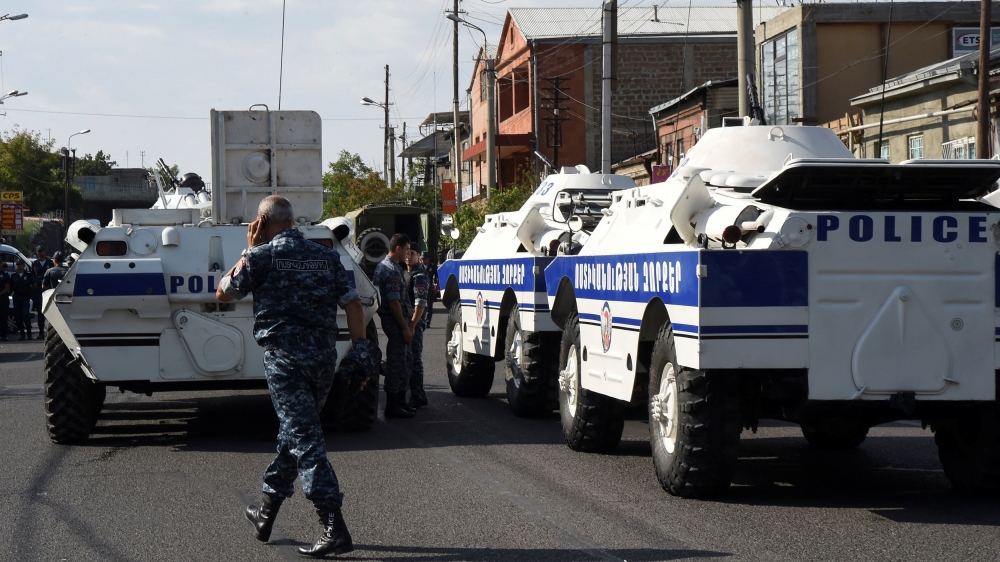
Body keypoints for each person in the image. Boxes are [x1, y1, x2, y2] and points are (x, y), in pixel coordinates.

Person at [216, 195, 379, 558]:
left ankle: (333, 526)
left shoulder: (260, 257)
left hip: (285, 361)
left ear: (260, 222)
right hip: (323, 359)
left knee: (305, 440)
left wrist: (249, 250)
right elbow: (353, 303)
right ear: (293, 222)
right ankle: (265, 513)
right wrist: (361, 348)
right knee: (294, 434)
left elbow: (223, 293)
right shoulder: (325, 256)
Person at [373, 233, 415, 419]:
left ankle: (400, 401)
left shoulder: (385, 266)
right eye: (406, 249)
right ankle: (392, 405)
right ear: (398, 248)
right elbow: (394, 302)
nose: (407, 253)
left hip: (397, 321)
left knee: (405, 361)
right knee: (397, 364)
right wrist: (405, 327)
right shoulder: (390, 270)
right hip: (396, 322)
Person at [404, 244, 430, 409]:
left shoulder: (419, 275)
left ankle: (418, 394)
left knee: (414, 360)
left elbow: (420, 303)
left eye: (412, 254)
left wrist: (413, 324)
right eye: (406, 253)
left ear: (418, 256)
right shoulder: (406, 272)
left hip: (414, 322)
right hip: (407, 321)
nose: (408, 256)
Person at [31, 246, 53, 339]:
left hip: (48, 288)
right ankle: (41, 332)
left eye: (41, 251)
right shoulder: (35, 263)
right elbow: (32, 275)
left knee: (51, 310)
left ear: (44, 251)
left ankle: (52, 332)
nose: (40, 253)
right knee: (40, 311)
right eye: (38, 251)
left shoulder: (50, 263)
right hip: (38, 289)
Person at [10, 261, 33, 340]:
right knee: (18, 317)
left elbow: (33, 285)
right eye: (17, 265)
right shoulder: (14, 276)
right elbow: (11, 287)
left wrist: (29, 293)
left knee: (26, 316)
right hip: (17, 297)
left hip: (25, 298)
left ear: (23, 265)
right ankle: (22, 335)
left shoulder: (28, 275)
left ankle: (29, 334)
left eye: (20, 265)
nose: (19, 266)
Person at [420, 251, 438, 327]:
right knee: (420, 305)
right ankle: (421, 320)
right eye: (421, 259)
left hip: (430, 288)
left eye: (424, 259)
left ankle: (427, 322)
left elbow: (437, 277)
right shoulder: (419, 266)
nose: (423, 260)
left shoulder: (433, 266)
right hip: (420, 288)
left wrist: (437, 287)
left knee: (429, 306)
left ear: (428, 259)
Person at [0, 262, 10, 341]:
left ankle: (3, 335)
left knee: (3, 317)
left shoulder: (5, 275)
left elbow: (7, 287)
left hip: (3, 298)